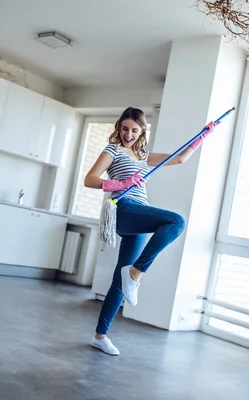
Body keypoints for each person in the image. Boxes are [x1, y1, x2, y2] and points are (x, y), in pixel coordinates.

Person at [83, 107, 217, 355]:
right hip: (123, 208)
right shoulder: (112, 150)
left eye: (134, 130)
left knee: (118, 282)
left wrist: (202, 136)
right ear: (119, 127)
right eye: (124, 129)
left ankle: (100, 335)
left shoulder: (142, 155)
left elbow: (179, 158)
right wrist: (121, 183)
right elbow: (89, 179)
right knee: (175, 221)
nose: (128, 134)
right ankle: (136, 272)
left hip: (139, 215)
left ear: (142, 130)